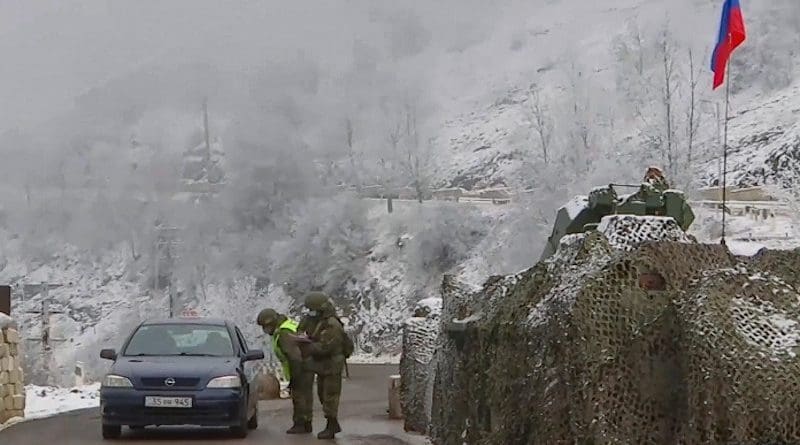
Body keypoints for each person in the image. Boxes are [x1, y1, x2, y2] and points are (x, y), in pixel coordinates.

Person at [256, 308, 314, 434]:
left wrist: (294, 377)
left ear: (270, 323)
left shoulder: (283, 333)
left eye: (265, 327)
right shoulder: (288, 325)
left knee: (299, 397)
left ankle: (300, 424)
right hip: (306, 366)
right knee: (306, 396)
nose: (264, 331)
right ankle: (307, 423)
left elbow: (294, 357)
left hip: (300, 368)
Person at [301, 292, 348, 440]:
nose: (310, 313)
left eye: (312, 310)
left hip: (332, 365)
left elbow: (324, 347)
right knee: (323, 394)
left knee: (330, 396)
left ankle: (332, 425)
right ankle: (332, 423)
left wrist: (306, 346)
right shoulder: (318, 321)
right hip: (323, 365)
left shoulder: (332, 324)